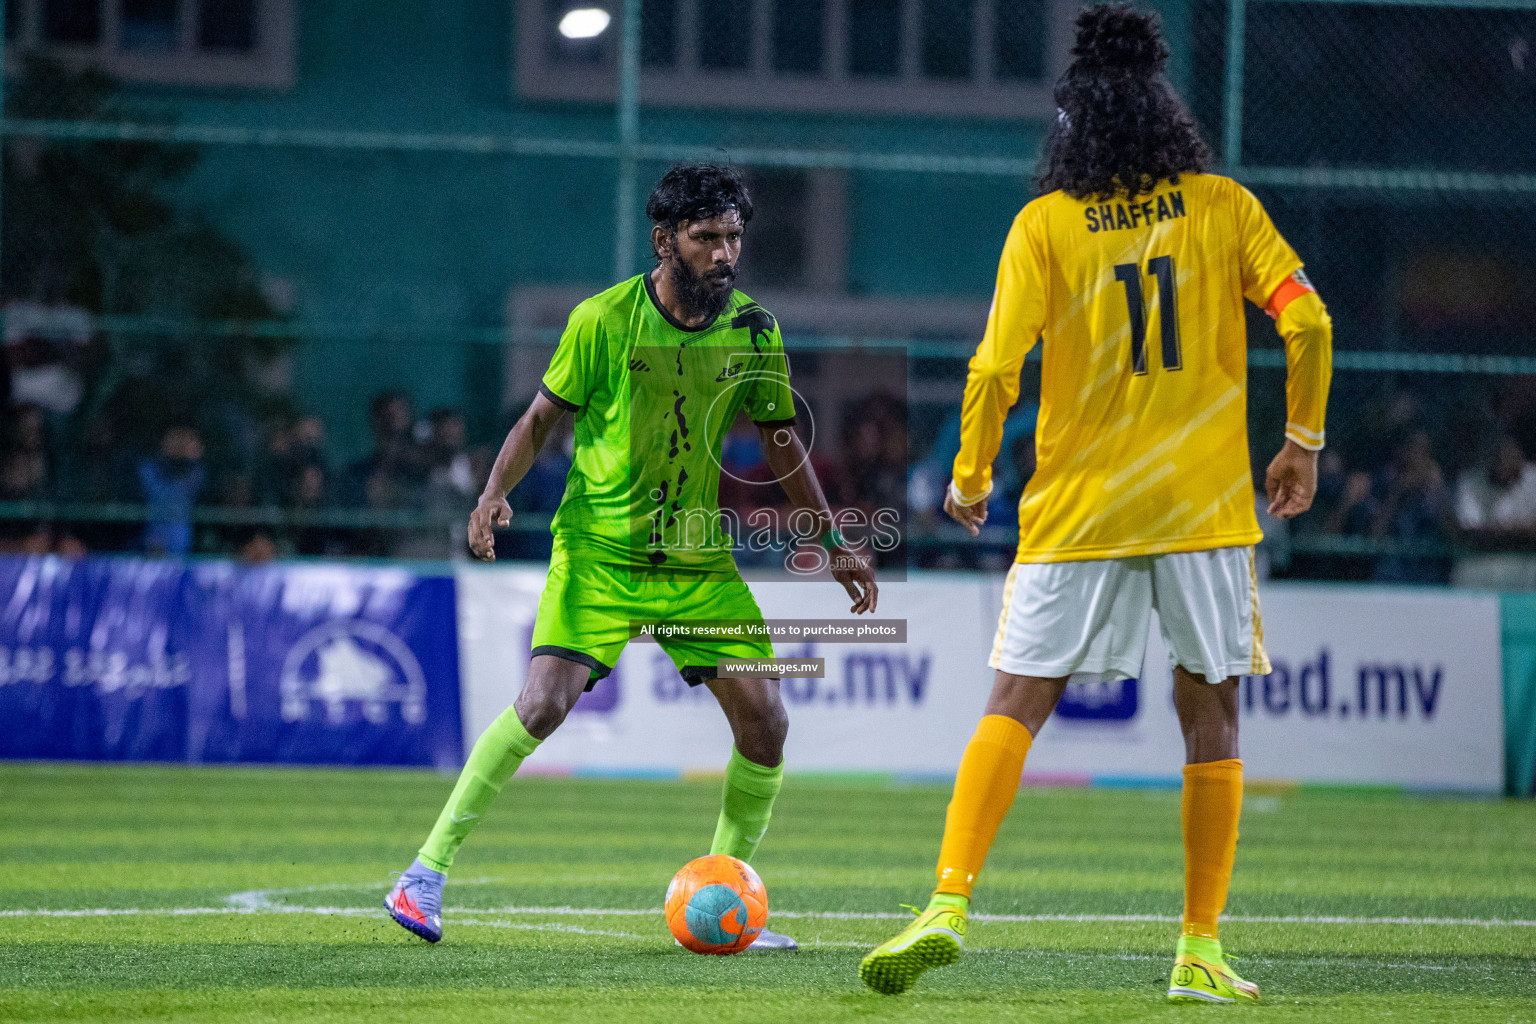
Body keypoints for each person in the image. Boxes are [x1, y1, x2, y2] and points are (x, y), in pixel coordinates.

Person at [859, 5, 1331, 1003]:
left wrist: (972, 476)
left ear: (1070, 127)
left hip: (1078, 511)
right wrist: (1303, 440)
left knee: (1016, 703)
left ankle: (947, 900)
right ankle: (1198, 946)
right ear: (1169, 119)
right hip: (1203, 510)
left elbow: (996, 366)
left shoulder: (1047, 225)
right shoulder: (1223, 207)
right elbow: (1308, 319)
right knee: (1211, 715)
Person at [385, 163, 878, 950]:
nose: (724, 254)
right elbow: (540, 420)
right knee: (543, 705)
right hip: (600, 551)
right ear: (665, 240)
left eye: (734, 238)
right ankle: (423, 873)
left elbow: (783, 440)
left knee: (766, 725)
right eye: (706, 237)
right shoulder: (603, 320)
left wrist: (831, 539)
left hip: (694, 561)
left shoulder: (754, 328)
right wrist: (492, 495)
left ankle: (728, 900)